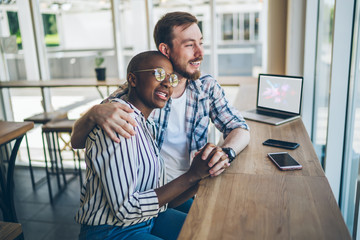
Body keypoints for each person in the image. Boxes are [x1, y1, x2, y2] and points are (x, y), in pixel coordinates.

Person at [71, 11, 250, 211]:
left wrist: (226, 152)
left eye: (201, 43)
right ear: (165, 49)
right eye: (190, 45)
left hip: (192, 186)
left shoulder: (205, 87)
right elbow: (77, 142)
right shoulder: (138, 92)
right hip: (153, 196)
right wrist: (93, 113)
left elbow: (239, 127)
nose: (200, 53)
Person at [75, 51, 224, 240]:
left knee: (206, 231)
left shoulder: (147, 124)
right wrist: (191, 175)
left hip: (148, 219)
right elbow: (125, 210)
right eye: (159, 74)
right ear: (133, 79)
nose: (167, 83)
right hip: (112, 231)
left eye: (171, 78)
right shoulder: (118, 124)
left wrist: (202, 174)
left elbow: (161, 202)